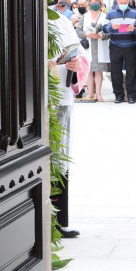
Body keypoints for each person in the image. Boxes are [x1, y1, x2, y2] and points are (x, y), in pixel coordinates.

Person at [48, 12, 91, 239]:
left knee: (60, 155)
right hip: (43, 97)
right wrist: (52, 63)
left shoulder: (61, 19)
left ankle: (58, 221)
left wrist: (76, 62)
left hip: (63, 96)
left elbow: (82, 54)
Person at [104, 0, 136, 103]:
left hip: (131, 46)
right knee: (115, 72)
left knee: (132, 71)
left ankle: (131, 96)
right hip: (115, 45)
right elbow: (104, 28)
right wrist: (111, 27)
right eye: (121, 2)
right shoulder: (110, 14)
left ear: (128, 2)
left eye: (125, 2)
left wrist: (133, 29)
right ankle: (118, 95)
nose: (123, 4)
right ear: (118, 2)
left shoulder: (134, 14)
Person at [81, 0, 109, 102]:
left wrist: (101, 36)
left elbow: (109, 32)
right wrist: (87, 34)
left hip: (100, 46)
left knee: (98, 71)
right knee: (89, 71)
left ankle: (98, 93)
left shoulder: (105, 16)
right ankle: (90, 93)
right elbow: (78, 31)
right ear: (89, 4)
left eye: (96, 2)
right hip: (88, 46)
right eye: (92, 2)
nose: (94, 4)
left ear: (100, 3)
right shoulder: (85, 16)